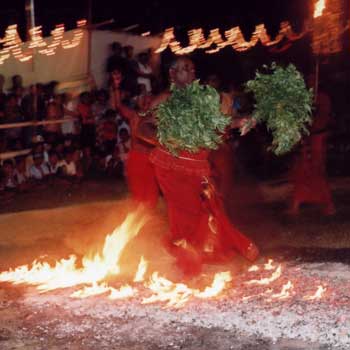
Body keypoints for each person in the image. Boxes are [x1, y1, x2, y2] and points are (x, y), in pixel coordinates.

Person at [145, 57, 259, 277]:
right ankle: (188, 261)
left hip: (198, 164)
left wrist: (238, 122)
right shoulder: (164, 99)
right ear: (172, 74)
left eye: (192, 68)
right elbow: (143, 128)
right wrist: (165, 140)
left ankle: (203, 251)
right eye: (184, 69)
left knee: (211, 206)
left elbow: (217, 123)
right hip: (172, 165)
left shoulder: (203, 99)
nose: (190, 72)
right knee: (186, 213)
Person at [110, 67, 159, 208]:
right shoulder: (134, 116)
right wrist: (116, 86)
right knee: (138, 194)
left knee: (151, 195)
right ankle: (136, 221)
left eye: (149, 99)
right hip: (137, 157)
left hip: (151, 159)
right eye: (143, 99)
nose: (145, 101)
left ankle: (148, 220)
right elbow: (118, 105)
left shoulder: (157, 119)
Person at [288, 75, 335, 216]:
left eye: (311, 83)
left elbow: (322, 120)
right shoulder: (304, 99)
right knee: (301, 170)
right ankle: (296, 204)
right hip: (306, 139)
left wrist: (311, 117)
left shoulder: (323, 98)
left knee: (317, 171)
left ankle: (328, 205)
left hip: (317, 140)